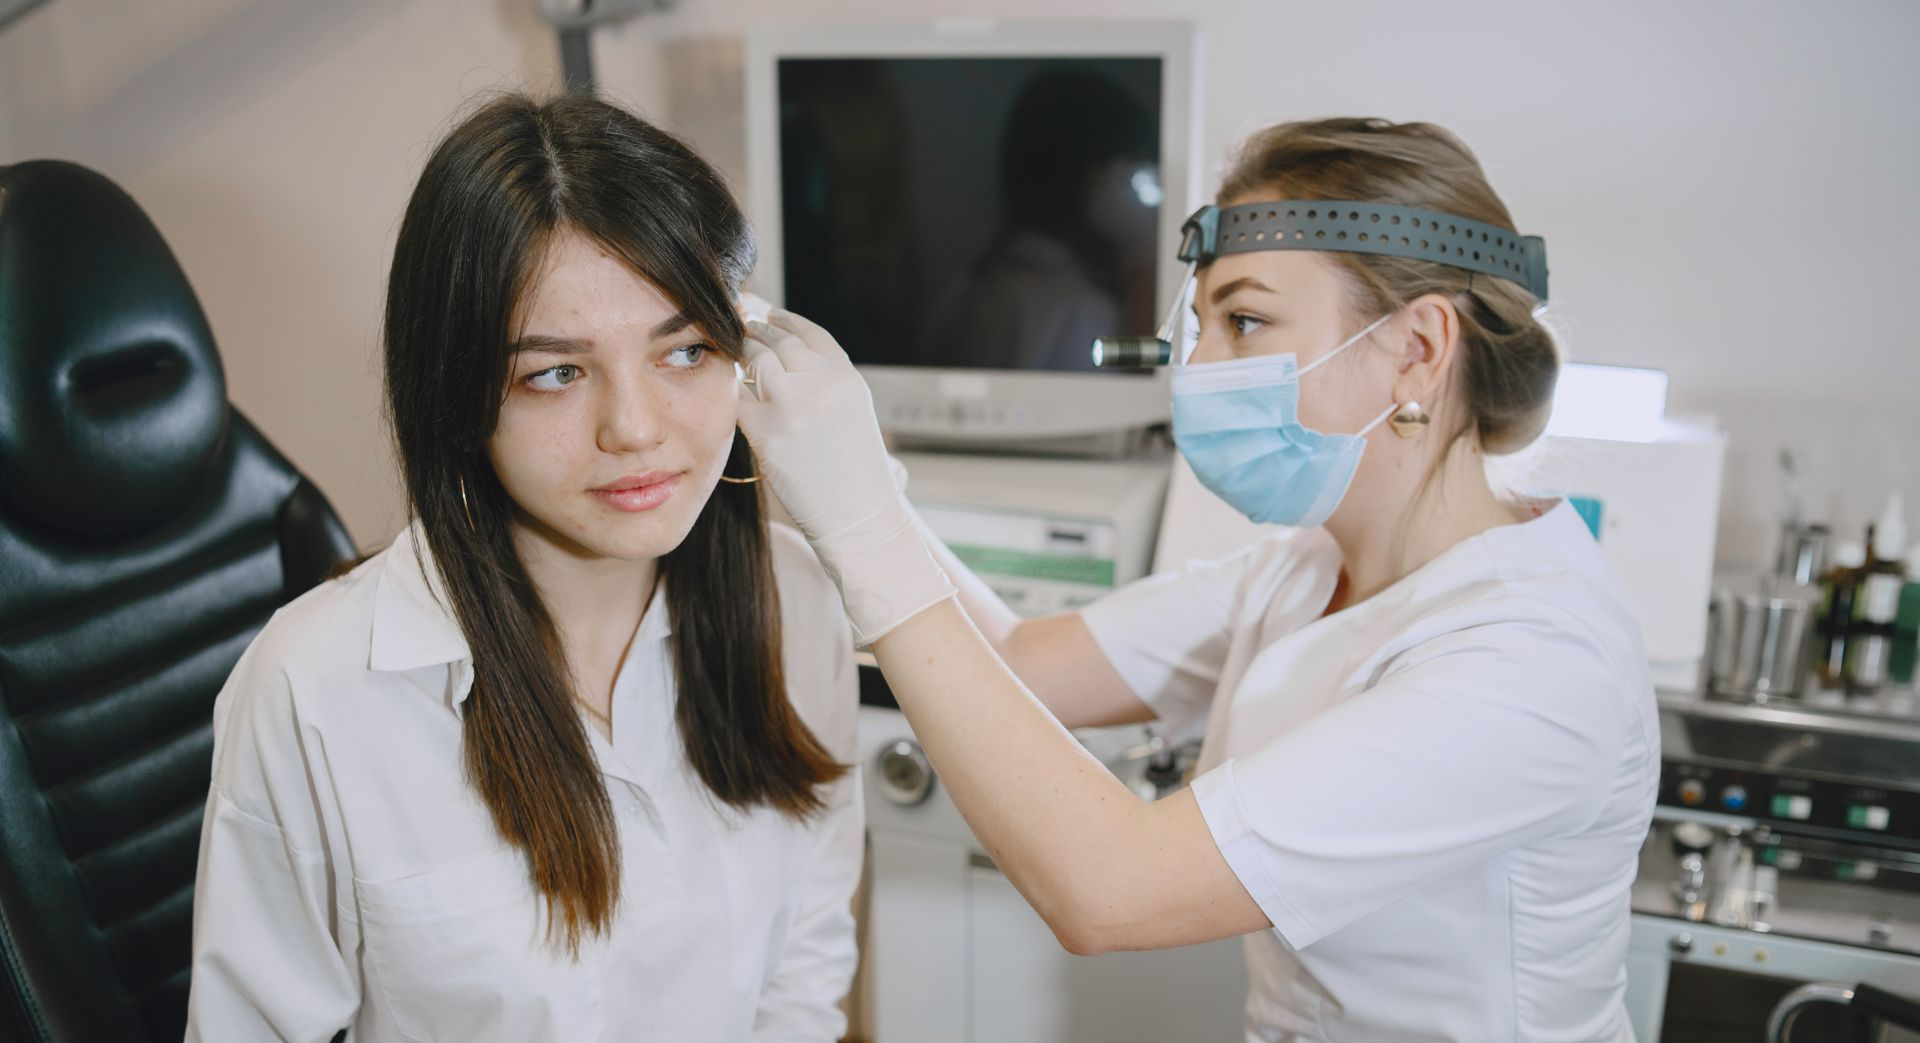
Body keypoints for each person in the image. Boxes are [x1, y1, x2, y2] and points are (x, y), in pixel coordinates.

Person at [737, 118, 1658, 1042]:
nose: (1199, 368)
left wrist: (864, 530)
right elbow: (1021, 659)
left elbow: (1110, 888)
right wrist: (858, 479)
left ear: (1417, 348)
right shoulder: (1307, 567)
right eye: (1204, 323)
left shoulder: (1530, 656)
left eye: (1246, 321)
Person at [186, 93, 862, 1043]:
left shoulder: (797, 602)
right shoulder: (312, 693)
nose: (635, 427)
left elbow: (805, 964)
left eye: (686, 350)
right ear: (458, 389)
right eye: (556, 372)